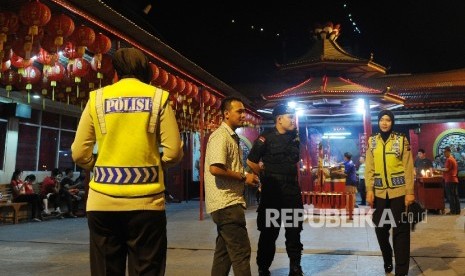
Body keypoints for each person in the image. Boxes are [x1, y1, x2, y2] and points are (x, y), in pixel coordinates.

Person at [72, 47, 183, 276]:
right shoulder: (158, 98)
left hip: (102, 203)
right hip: (146, 204)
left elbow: (79, 154)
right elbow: (173, 152)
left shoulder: (97, 98)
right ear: (145, 69)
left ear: (116, 70)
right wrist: (155, 164)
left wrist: (100, 165)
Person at [204, 96, 259, 276]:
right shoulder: (221, 136)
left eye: (244, 111)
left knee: (224, 254)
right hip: (226, 202)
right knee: (241, 253)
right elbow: (215, 168)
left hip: (225, 203)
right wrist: (244, 177)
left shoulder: (231, 136)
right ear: (226, 114)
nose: (243, 115)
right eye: (239, 111)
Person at [247, 103, 304, 276]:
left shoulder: (294, 137)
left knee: (294, 232)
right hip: (273, 195)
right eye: (290, 116)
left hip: (292, 194)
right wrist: (264, 176)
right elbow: (251, 161)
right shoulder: (265, 138)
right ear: (279, 119)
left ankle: (295, 267)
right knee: (269, 234)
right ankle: (263, 267)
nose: (293, 120)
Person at [365, 110, 415, 276]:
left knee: (400, 232)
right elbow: (369, 169)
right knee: (380, 229)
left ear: (392, 123)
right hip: (380, 194)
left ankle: (401, 271)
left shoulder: (401, 140)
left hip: (399, 193)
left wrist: (409, 192)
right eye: (382, 120)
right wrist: (369, 189)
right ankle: (387, 261)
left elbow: (408, 167)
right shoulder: (372, 142)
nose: (384, 123)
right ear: (378, 122)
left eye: (388, 120)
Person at [438, 146, 460, 215]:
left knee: (451, 196)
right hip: (453, 180)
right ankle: (457, 210)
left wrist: (437, 169)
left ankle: (453, 211)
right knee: (455, 196)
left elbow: (446, 169)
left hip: (450, 180)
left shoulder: (449, 159)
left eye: (444, 152)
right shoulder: (452, 159)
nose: (444, 154)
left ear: (448, 152)